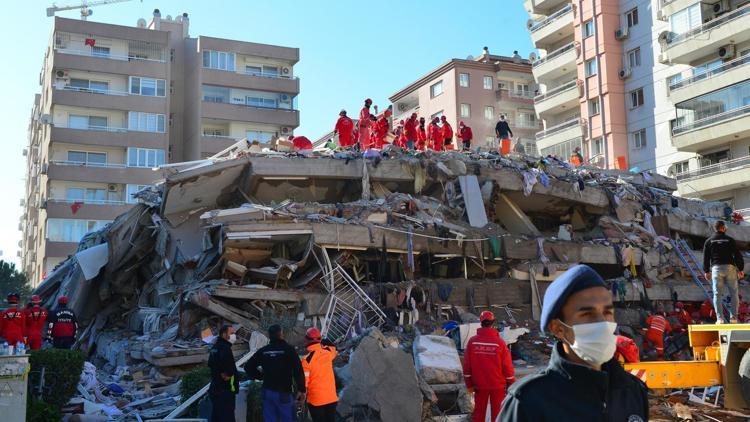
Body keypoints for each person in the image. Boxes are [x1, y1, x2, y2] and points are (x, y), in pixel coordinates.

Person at [500, 264, 649, 422]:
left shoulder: (632, 390)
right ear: (558, 329)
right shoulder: (528, 400)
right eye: (587, 314)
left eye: (607, 312)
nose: (602, 323)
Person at [245, 325, 306, 422]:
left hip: (267, 392)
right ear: (281, 334)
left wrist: (261, 377)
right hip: (284, 392)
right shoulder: (289, 350)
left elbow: (248, 367)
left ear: (269, 336)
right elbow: (298, 371)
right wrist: (302, 389)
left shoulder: (264, 351)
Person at [463, 311, 514, 422]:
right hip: (497, 386)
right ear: (492, 323)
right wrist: (511, 383)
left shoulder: (472, 342)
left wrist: (469, 384)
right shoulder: (500, 343)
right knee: (497, 414)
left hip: (479, 385)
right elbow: (507, 367)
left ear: (481, 323)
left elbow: (467, 366)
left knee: (478, 414)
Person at [703, 220, 745, 323]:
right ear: (723, 228)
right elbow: (737, 255)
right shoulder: (730, 240)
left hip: (716, 269)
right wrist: (741, 269)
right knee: (734, 293)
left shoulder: (709, 241)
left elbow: (706, 257)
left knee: (717, 294)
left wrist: (706, 271)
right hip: (730, 268)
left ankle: (720, 318)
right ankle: (733, 318)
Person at [301, 327, 338, 422]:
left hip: (316, 401)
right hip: (331, 398)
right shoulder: (328, 353)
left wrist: (300, 396)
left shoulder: (306, 361)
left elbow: (304, 383)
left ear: (306, 340)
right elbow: (334, 348)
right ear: (320, 339)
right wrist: (325, 341)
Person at [208, 324, 239, 422]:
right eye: (232, 333)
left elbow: (211, 364)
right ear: (224, 334)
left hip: (216, 389)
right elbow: (230, 369)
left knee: (216, 417)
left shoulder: (215, 347)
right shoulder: (225, 348)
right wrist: (227, 374)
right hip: (225, 391)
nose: (234, 335)